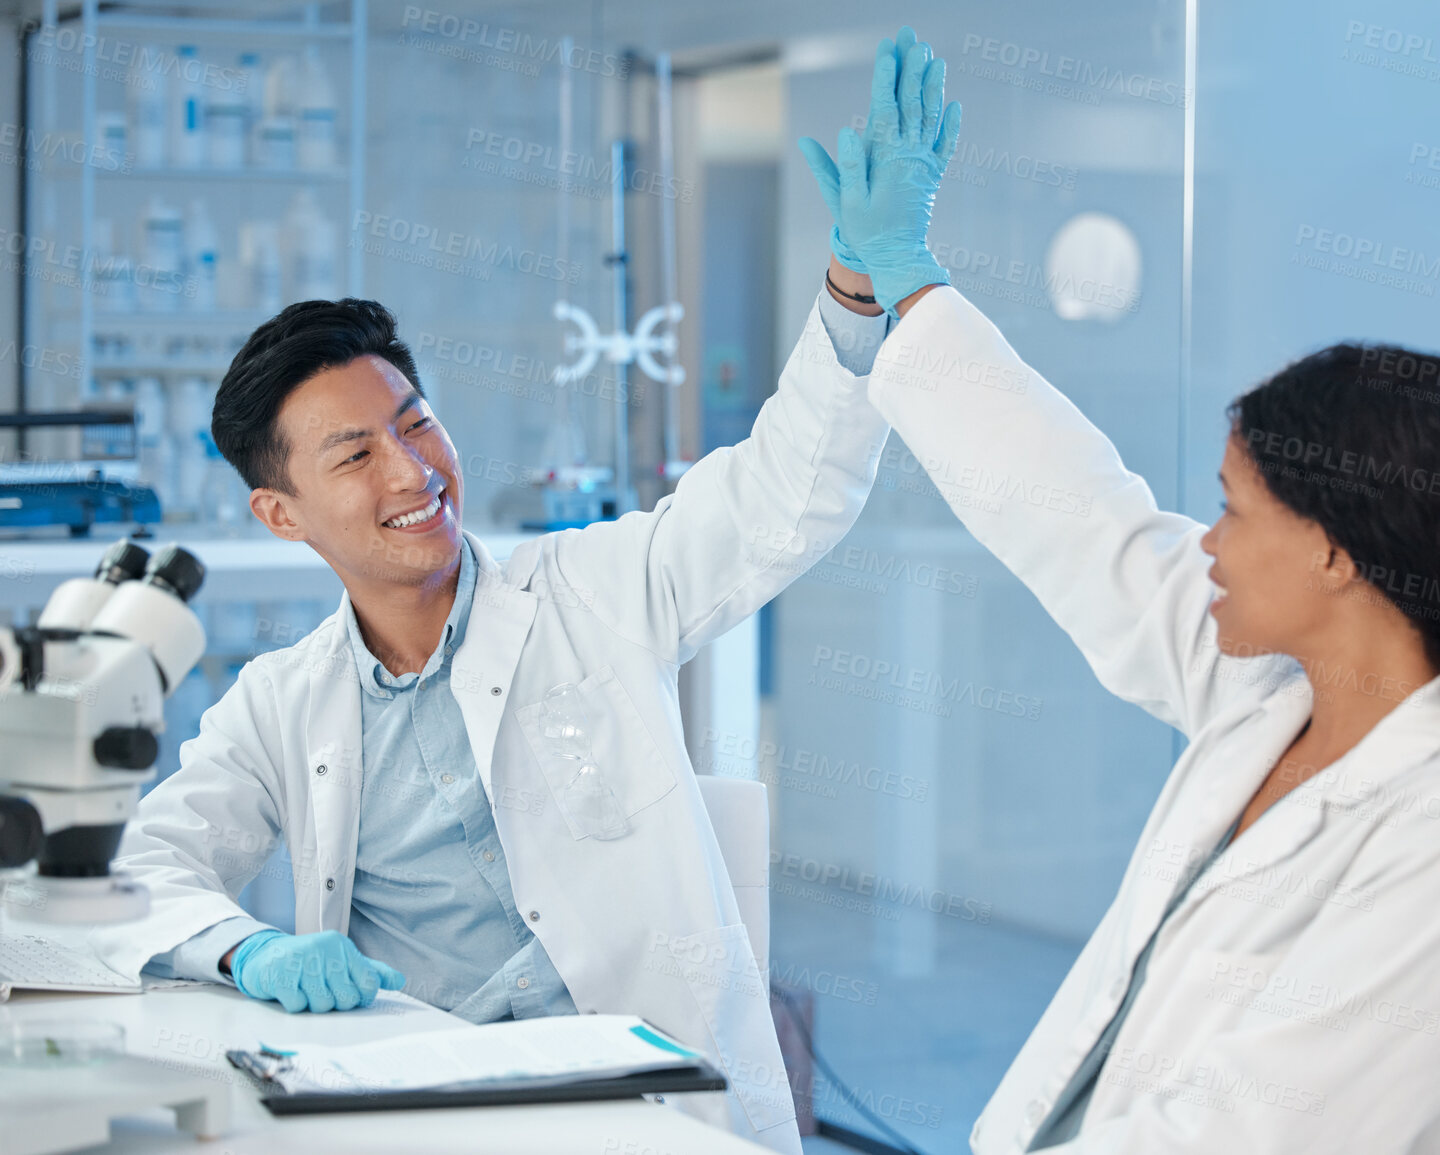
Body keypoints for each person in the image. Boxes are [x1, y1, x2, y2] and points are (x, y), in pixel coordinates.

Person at [800, 26, 1440, 1154]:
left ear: (1340, 554)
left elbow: (1259, 1129)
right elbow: (1078, 514)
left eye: (1236, 510)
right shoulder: (1277, 692)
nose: (1208, 546)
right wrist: (911, 282)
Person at [88, 253, 898, 1151]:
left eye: (416, 424)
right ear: (282, 514)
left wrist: (854, 297)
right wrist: (249, 949)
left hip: (640, 1108)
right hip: (426, 1110)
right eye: (355, 454)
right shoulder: (282, 700)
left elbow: (780, 500)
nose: (410, 471)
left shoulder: (595, 590)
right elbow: (141, 868)